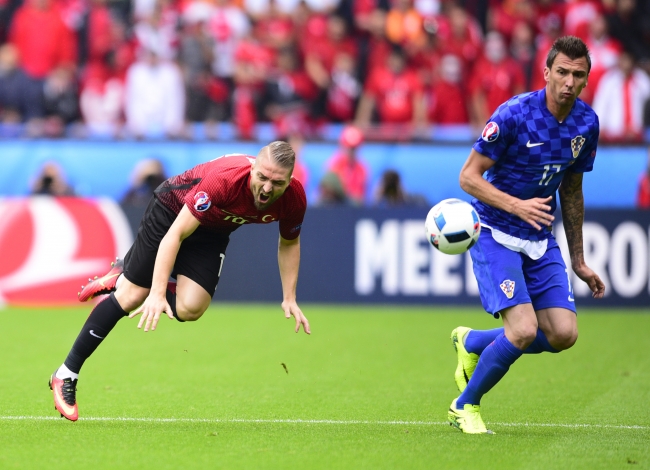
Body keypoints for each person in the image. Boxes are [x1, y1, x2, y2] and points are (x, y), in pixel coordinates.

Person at [49, 141, 310, 422]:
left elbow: (289, 243)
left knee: (191, 307)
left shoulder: (294, 198)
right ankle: (66, 373)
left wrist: (289, 297)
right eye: (262, 177)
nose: (267, 188)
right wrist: (157, 292)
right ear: (252, 168)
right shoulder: (224, 181)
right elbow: (175, 234)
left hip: (212, 231)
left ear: (290, 180)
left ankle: (127, 273)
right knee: (133, 296)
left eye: (277, 182)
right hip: (172, 212)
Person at [449, 36, 605, 434]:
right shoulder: (514, 115)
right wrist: (516, 205)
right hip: (495, 231)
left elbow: (572, 190)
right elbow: (468, 177)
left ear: (587, 79)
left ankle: (473, 343)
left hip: (539, 237)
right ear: (547, 72)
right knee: (522, 330)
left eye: (578, 75)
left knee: (563, 334)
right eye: (562, 72)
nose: (569, 82)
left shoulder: (586, 124)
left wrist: (579, 260)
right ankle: (464, 406)